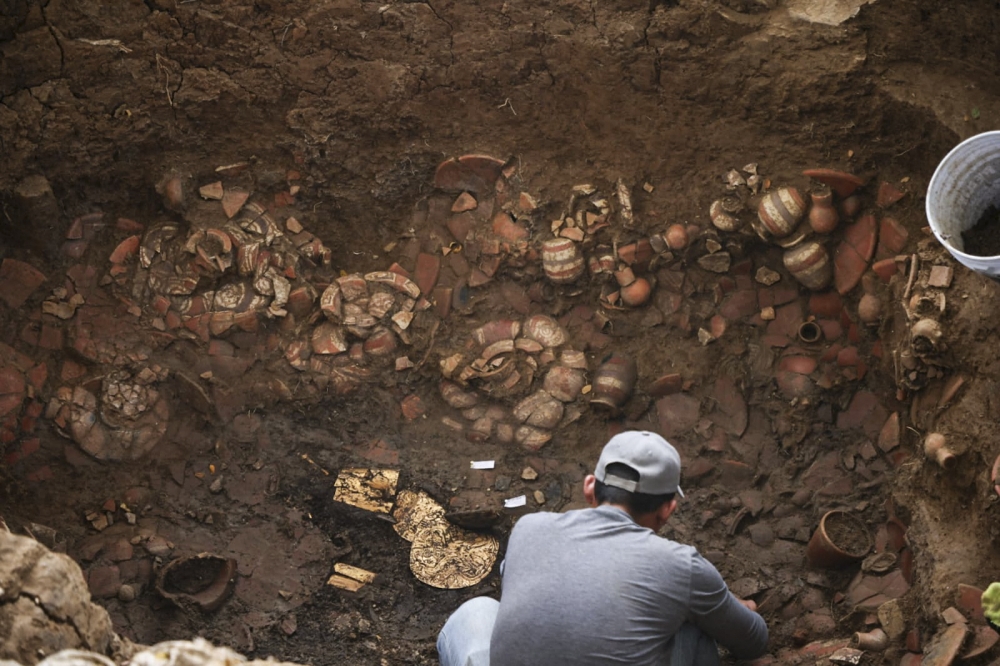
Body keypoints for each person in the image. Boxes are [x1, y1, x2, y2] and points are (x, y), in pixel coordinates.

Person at [437, 430, 768, 666]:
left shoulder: (529, 528)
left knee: (476, 612)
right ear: (667, 509)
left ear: (590, 487)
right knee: (691, 623)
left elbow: (520, 591)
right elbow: (753, 642)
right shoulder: (683, 568)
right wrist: (731, 607)